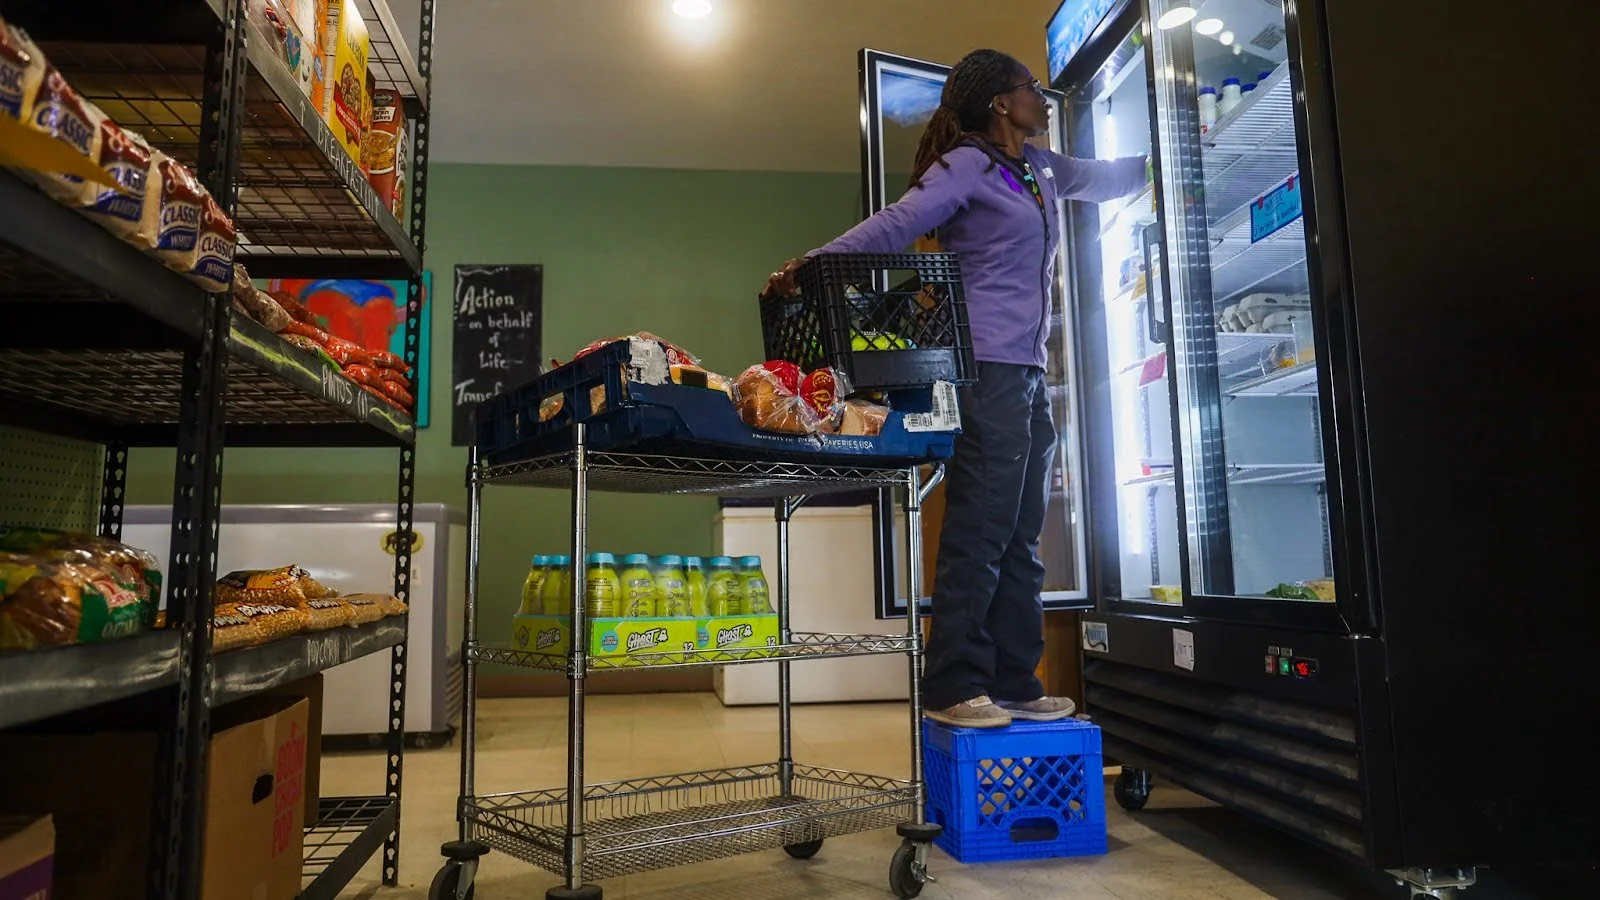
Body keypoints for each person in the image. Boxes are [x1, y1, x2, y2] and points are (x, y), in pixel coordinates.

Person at [762, 49, 1147, 728]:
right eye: (1030, 87)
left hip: (1028, 372)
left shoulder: (1043, 169)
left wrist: (1177, 150)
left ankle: (1013, 680)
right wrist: (813, 262)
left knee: (1023, 529)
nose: (1041, 96)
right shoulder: (968, 164)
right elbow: (897, 224)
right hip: (984, 368)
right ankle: (951, 685)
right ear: (1002, 102)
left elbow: (1109, 178)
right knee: (982, 525)